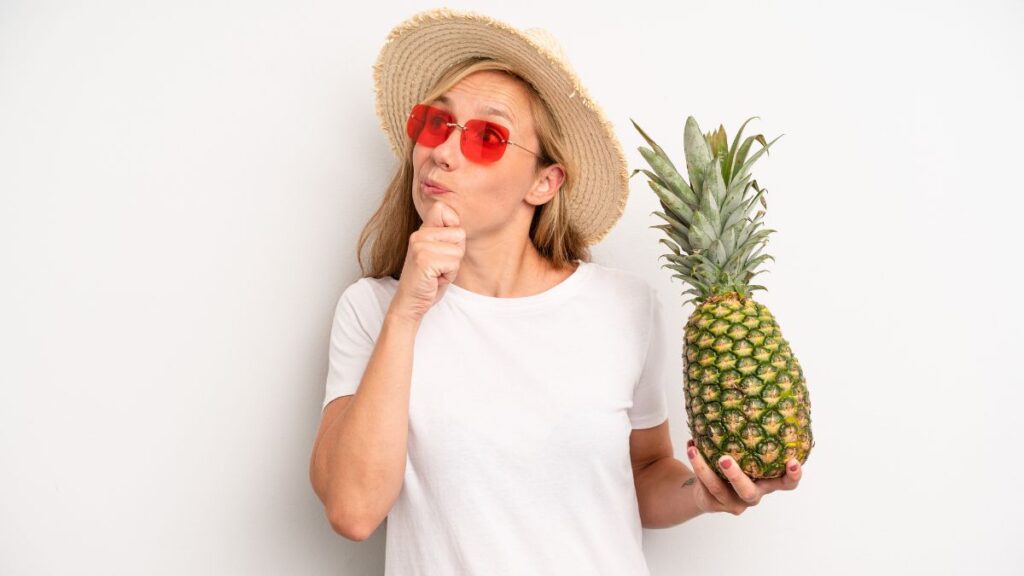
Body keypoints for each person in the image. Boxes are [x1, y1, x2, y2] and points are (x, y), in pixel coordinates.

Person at [309, 8, 802, 575]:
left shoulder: (626, 307)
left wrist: (700, 494)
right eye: (436, 123)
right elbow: (353, 511)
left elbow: (641, 474)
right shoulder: (373, 311)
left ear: (545, 181)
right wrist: (408, 312)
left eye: (489, 136)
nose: (442, 151)